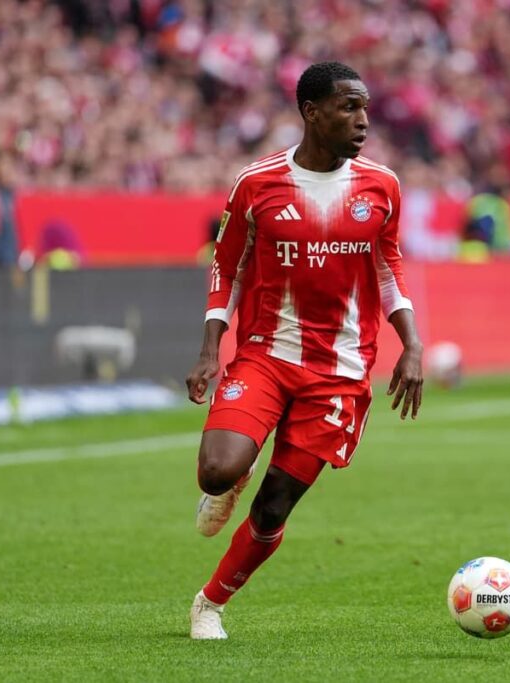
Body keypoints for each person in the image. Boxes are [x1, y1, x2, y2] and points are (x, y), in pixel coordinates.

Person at [184, 62, 424, 640]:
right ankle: (231, 481)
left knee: (273, 510)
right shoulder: (257, 183)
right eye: (348, 107)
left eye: (365, 107)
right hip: (267, 354)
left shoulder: (382, 187)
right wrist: (210, 347)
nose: (363, 120)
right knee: (217, 472)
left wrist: (412, 344)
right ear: (311, 113)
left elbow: (388, 268)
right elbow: (228, 266)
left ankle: (209, 605)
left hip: (339, 372)